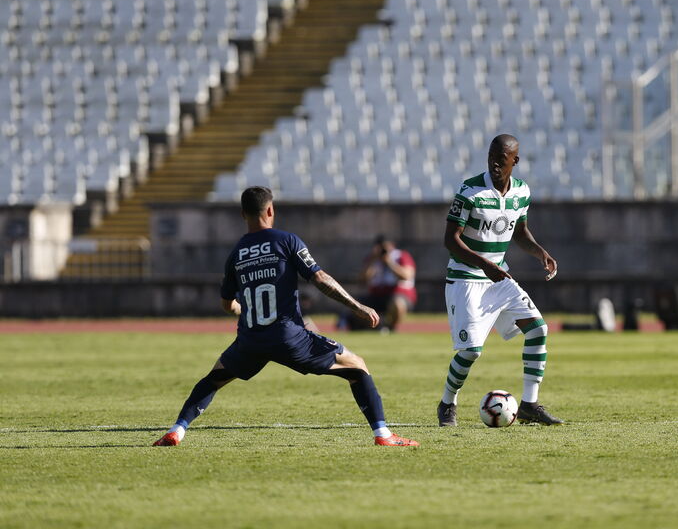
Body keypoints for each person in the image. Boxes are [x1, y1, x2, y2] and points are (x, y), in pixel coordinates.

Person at [152, 186, 419, 447]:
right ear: (270, 210)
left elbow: (227, 304)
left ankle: (177, 430)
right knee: (357, 367)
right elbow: (320, 279)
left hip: (251, 339)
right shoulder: (286, 241)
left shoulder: (236, 254)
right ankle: (383, 434)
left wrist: (244, 310)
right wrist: (357, 306)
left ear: (243, 214)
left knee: (214, 379)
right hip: (289, 336)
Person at [437, 134, 563, 427]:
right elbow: (450, 241)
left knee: (538, 330)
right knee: (471, 351)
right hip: (466, 279)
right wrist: (485, 265)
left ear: (514, 161)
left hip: (498, 278)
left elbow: (520, 231)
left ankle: (530, 405)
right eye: (492, 156)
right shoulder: (470, 191)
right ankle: (447, 404)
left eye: (502, 157)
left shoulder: (521, 192)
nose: (495, 162)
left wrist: (539, 252)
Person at [355, 235, 416, 332]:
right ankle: (375, 327)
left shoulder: (401, 256)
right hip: (376, 295)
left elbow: (406, 276)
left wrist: (389, 262)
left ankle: (391, 328)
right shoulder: (372, 259)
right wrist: (373, 260)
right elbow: (362, 280)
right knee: (355, 305)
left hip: (398, 294)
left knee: (397, 304)